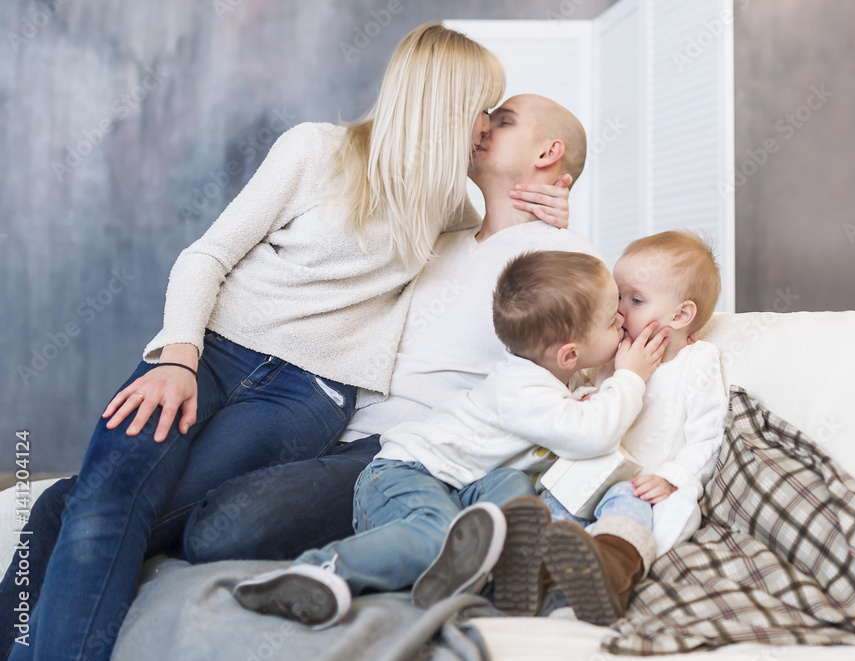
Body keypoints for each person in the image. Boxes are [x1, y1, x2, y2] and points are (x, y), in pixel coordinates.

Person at [0, 25, 575, 661]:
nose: (485, 128)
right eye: (482, 110)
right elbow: (206, 256)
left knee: (111, 507)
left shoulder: (448, 208)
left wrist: (547, 210)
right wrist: (178, 358)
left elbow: (500, 243)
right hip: (208, 353)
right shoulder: (313, 150)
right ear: (441, 104)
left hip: (307, 395)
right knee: (86, 497)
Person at [179, 94, 600, 563]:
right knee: (175, 487)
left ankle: (445, 524)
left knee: (220, 530)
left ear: (547, 154)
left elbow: (591, 360)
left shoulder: (569, 260)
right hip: (325, 419)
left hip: (412, 449)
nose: (480, 127)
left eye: (502, 121)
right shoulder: (438, 236)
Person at [232, 251, 670, 627]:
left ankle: (464, 577)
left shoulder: (548, 383)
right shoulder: (520, 389)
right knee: (434, 532)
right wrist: (630, 377)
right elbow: (591, 434)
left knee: (517, 501)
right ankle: (320, 572)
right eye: (615, 321)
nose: (624, 325)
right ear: (569, 354)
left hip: (463, 485)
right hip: (404, 476)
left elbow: (571, 419)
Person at [492, 230, 728, 626]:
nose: (618, 311)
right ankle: (536, 573)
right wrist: (583, 398)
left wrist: (673, 478)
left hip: (643, 484)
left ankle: (604, 571)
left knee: (660, 511)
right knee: (551, 505)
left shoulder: (697, 363)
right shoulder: (613, 353)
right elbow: (584, 391)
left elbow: (708, 435)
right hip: (589, 470)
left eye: (634, 300)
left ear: (680, 316)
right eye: (617, 297)